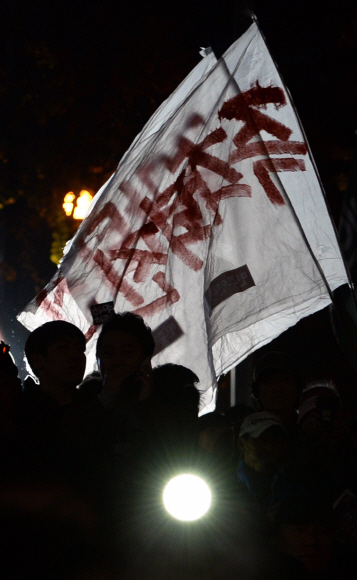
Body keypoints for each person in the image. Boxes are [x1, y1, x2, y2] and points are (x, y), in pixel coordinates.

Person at [13, 321, 87, 474]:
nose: (76, 356)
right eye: (64, 348)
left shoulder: (96, 406)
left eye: (80, 349)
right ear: (38, 360)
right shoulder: (17, 416)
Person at [251, 351, 302, 432]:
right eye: (268, 382)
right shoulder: (244, 434)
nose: (278, 388)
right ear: (256, 390)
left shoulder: (312, 432)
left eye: (285, 380)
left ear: (298, 387)